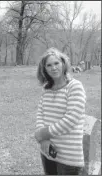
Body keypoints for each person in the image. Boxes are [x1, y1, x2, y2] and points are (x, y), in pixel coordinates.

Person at [35, 47, 86, 175]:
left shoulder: (75, 87)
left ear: (64, 64)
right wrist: (44, 140)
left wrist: (43, 133)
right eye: (49, 65)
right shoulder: (46, 89)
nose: (53, 68)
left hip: (68, 158)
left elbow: (71, 120)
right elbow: (40, 114)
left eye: (56, 63)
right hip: (48, 152)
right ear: (44, 69)